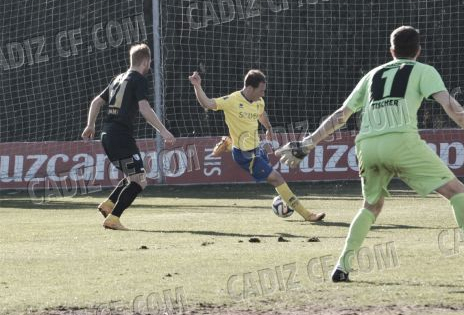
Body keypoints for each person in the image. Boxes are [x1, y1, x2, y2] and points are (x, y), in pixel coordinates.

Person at [276, 26, 464, 281]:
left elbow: (341, 116)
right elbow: (451, 106)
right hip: (401, 142)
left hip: (367, 146)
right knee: (456, 191)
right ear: (418, 50)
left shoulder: (372, 75)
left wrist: (307, 144)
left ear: (392, 51)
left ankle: (341, 267)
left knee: (371, 206)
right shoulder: (424, 71)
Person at [189, 69, 325, 222]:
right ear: (250, 88)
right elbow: (207, 103)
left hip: (257, 148)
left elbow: (261, 113)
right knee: (276, 178)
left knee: (274, 178)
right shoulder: (232, 100)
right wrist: (197, 85)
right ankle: (307, 215)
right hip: (245, 155)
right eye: (261, 90)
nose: (263, 94)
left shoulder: (258, 101)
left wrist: (268, 128)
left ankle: (229, 144)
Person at [81, 44, 175, 230]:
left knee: (134, 175)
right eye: (149, 63)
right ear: (146, 62)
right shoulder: (138, 79)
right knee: (140, 180)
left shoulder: (117, 79)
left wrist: (90, 125)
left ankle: (109, 204)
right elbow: (144, 109)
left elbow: (96, 102)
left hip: (107, 134)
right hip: (120, 136)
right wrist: (163, 131)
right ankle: (113, 218)